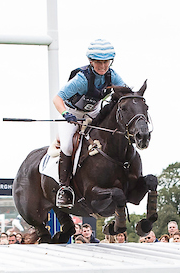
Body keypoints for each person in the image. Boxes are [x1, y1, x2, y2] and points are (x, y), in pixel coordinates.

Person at [53, 39, 127, 208]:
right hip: (72, 113)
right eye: (99, 62)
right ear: (91, 62)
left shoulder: (112, 75)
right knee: (67, 146)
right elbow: (57, 98)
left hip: (94, 112)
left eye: (106, 62)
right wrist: (65, 114)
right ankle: (64, 189)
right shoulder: (81, 79)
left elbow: (125, 91)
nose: (103, 66)